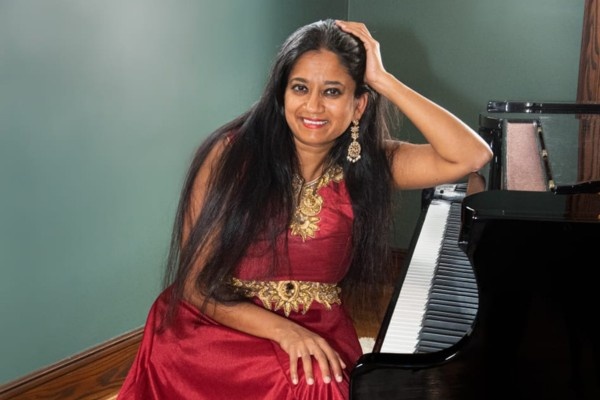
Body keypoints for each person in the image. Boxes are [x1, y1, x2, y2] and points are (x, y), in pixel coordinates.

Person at [117, 19, 492, 400]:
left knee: (322, 378)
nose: (313, 106)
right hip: (220, 326)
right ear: (281, 95)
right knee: (314, 383)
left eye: (333, 91)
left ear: (358, 104)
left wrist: (383, 80)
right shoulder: (231, 157)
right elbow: (196, 285)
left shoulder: (369, 165)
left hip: (319, 327)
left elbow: (471, 155)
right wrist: (286, 332)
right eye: (300, 88)